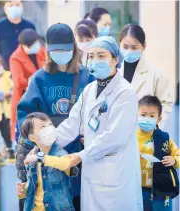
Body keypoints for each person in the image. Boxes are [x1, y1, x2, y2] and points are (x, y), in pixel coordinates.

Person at [55, 36, 143, 211]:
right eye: (91, 56)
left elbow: (115, 137)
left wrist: (80, 156)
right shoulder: (89, 90)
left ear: (115, 59)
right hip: (92, 169)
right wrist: (46, 144)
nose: (95, 61)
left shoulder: (125, 93)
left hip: (116, 172)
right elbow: (71, 124)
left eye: (101, 56)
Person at [16, 23, 95, 211]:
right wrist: (36, 137)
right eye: (55, 50)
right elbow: (24, 114)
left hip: (78, 152)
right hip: (47, 151)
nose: (60, 54)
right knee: (49, 197)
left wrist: (90, 134)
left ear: (73, 48)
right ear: (48, 50)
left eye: (65, 49)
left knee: (75, 198)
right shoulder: (39, 78)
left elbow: (97, 112)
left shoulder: (87, 77)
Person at [16, 112, 78, 211]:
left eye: (50, 124)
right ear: (32, 138)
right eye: (43, 126)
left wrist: (40, 158)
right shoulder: (32, 158)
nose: (49, 129)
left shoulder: (59, 153)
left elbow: (67, 163)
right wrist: (24, 190)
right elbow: (35, 186)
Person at [119, 24, 174, 128]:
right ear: (119, 45)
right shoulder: (114, 72)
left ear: (144, 46)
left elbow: (166, 103)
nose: (129, 51)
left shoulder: (155, 74)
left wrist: (155, 125)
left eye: (134, 47)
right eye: (125, 47)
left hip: (145, 135)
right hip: (118, 134)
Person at [137, 95, 179, 211]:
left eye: (152, 116)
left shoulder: (164, 138)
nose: (146, 118)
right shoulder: (131, 138)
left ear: (158, 119)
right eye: (143, 114)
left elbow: (178, 155)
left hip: (162, 191)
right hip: (138, 190)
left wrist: (174, 160)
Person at [10, 29, 45, 142]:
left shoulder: (41, 51)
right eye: (31, 45)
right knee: (25, 127)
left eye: (36, 43)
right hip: (24, 95)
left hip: (42, 93)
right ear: (23, 45)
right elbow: (19, 81)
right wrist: (34, 81)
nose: (35, 46)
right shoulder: (16, 57)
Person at [0, 0, 35, 70]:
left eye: (17, 5)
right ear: (5, 8)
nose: (14, 8)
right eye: (11, 5)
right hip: (4, 74)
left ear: (22, 7)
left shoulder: (30, 27)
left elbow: (35, 52)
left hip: (26, 73)